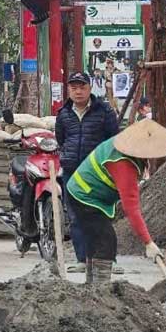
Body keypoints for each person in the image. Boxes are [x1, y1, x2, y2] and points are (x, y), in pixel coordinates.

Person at [66, 119, 166, 283]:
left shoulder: (124, 148)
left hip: (87, 193)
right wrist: (148, 243)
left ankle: (92, 288)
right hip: (84, 196)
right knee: (105, 241)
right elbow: (131, 207)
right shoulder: (123, 164)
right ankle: (100, 289)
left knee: (96, 240)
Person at [55, 71, 119, 274]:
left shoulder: (104, 111)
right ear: (69, 90)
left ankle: (104, 259)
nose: (78, 91)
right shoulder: (64, 113)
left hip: (97, 173)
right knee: (75, 216)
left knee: (100, 215)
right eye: (74, 88)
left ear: (90, 88)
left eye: (82, 87)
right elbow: (61, 139)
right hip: (72, 171)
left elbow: (112, 139)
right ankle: (82, 258)